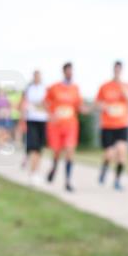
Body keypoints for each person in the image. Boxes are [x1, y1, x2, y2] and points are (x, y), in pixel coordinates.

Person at [44, 62, 85, 192]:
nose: (70, 73)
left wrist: (88, 109)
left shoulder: (75, 88)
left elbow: (79, 106)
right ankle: (54, 168)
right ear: (64, 72)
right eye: (68, 71)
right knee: (56, 152)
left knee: (69, 150)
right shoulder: (54, 87)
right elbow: (45, 102)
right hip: (56, 125)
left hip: (70, 125)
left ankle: (68, 181)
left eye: (71, 71)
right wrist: (51, 115)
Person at [95, 61, 128, 191]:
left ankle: (117, 180)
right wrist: (104, 106)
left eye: (119, 69)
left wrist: (121, 86)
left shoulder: (127, 85)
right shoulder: (105, 86)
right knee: (109, 154)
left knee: (122, 153)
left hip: (122, 124)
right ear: (113, 70)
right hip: (108, 124)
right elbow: (97, 103)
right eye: (116, 69)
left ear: (121, 70)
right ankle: (104, 167)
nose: (117, 71)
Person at [22, 70, 48, 185]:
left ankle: (36, 171)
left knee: (39, 148)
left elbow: (47, 104)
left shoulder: (45, 89)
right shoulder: (29, 89)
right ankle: (32, 172)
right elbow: (24, 103)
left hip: (42, 120)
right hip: (32, 120)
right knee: (33, 147)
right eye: (36, 76)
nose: (37, 78)